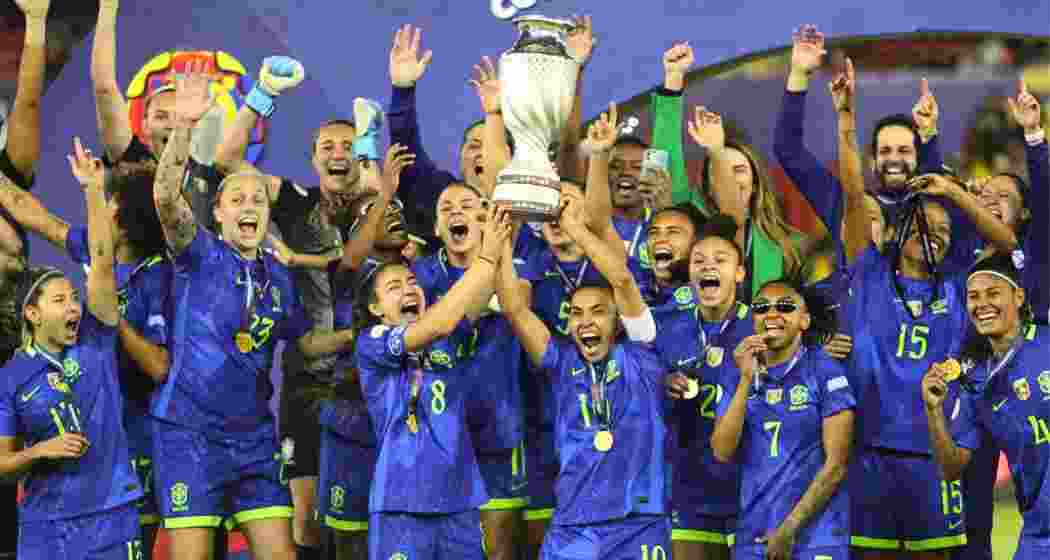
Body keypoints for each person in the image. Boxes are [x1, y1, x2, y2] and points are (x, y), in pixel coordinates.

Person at [150, 69, 356, 560]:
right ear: (217, 213)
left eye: (258, 200)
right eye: (237, 199)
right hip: (189, 433)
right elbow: (165, 197)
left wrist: (363, 335)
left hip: (255, 440)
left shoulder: (280, 276)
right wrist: (182, 128)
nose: (250, 205)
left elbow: (305, 342)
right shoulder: (197, 252)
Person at [498, 191, 666, 560]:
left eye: (597, 312)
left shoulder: (643, 352)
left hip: (638, 522)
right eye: (576, 313)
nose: (586, 321)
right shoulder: (559, 361)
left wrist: (577, 229)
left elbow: (621, 280)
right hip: (575, 523)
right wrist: (503, 242)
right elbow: (514, 309)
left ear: (617, 321)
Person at [0, 139, 143, 559]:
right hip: (45, 524)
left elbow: (101, 263)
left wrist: (93, 191)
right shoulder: (9, 377)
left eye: (74, 298)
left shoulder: (96, 341)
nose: (74, 307)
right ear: (32, 313)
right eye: (60, 300)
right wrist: (40, 450)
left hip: (113, 514)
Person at [354, 206, 511, 560]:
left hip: (460, 499)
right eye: (394, 287)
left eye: (413, 283)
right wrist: (485, 259)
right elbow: (438, 323)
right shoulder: (373, 340)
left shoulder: (449, 338)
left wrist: (497, 240)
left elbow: (475, 296)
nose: (409, 289)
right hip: (401, 500)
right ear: (377, 308)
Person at [710, 279, 855, 560]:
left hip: (816, 538)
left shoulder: (824, 371)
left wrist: (790, 528)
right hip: (753, 534)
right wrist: (744, 381)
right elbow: (722, 451)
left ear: (804, 320)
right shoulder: (737, 374)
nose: (772, 314)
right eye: (762, 308)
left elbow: (836, 465)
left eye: (785, 307)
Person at [651, 43, 804, 302]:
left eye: (740, 170)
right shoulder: (689, 221)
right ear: (708, 184)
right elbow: (663, 164)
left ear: (756, 183)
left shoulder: (779, 247)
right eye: (722, 170)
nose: (732, 178)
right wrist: (673, 80)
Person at [922, 254, 1049, 560]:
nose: (982, 304)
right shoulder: (976, 384)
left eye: (993, 293)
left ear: (1018, 297)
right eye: (974, 297)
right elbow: (951, 467)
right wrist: (934, 410)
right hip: (1039, 531)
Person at [659, 216, 751, 560]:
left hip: (751, 485)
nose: (708, 266)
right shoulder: (667, 328)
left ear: (740, 273)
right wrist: (662, 384)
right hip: (689, 483)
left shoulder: (761, 327)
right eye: (698, 261)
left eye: (720, 260)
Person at [90, 0, 225, 226]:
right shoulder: (132, 161)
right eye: (161, 116)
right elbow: (104, 87)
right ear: (144, 125)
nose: (171, 124)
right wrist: (108, 7)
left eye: (178, 115)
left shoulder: (213, 179)